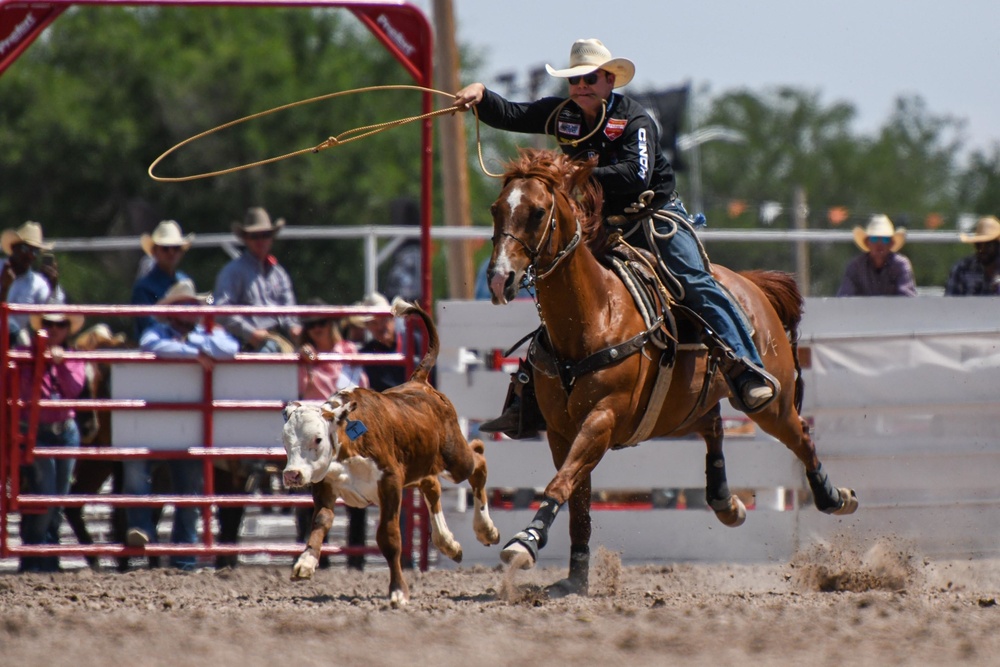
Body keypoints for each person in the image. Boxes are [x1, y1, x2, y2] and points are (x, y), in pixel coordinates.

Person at [453, 38, 777, 434]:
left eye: (590, 78)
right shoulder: (563, 114)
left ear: (609, 80)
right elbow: (513, 113)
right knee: (563, 290)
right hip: (601, 224)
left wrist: (578, 174)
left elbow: (635, 175)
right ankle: (527, 398)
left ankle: (746, 367)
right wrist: (482, 96)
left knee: (694, 282)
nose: (581, 87)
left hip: (652, 216)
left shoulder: (634, 119)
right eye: (575, 80)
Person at [124, 279, 239, 570]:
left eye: (193, 305)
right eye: (184, 305)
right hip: (156, 417)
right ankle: (142, 530)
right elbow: (150, 345)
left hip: (187, 423)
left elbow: (230, 348)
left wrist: (195, 346)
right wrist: (195, 354)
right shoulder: (158, 331)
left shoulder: (206, 332)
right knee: (135, 471)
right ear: (172, 310)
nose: (191, 310)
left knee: (189, 491)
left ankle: (184, 558)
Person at [296, 298, 370, 569]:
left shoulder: (348, 351)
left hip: (346, 427)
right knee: (314, 496)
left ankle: (356, 558)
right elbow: (303, 391)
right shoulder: (306, 356)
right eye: (311, 324)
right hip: (318, 433)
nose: (317, 328)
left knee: (356, 493)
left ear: (332, 324)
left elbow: (361, 390)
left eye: (322, 322)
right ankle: (316, 556)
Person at [16, 311, 87, 572]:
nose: (55, 328)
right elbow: (24, 390)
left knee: (57, 498)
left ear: (68, 329)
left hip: (64, 431)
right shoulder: (25, 355)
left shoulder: (73, 358)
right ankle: (36, 554)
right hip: (36, 431)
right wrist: (42, 362)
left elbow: (74, 389)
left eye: (60, 324)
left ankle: (46, 558)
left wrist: (58, 363)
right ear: (40, 327)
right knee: (45, 495)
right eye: (49, 323)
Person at [213, 207, 301, 352]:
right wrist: (251, 333)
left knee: (311, 356)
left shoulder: (279, 273)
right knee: (270, 353)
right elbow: (221, 312)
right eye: (254, 236)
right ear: (246, 238)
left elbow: (289, 312)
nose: (260, 240)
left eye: (265, 235)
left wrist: (296, 330)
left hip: (281, 340)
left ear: (271, 237)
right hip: (247, 345)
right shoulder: (233, 271)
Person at [1, 221, 66, 346]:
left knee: (21, 336)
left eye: (35, 251)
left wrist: (53, 287)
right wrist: (4, 288)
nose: (30, 255)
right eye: (25, 249)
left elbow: (54, 314)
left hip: (15, 341)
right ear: (14, 248)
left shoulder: (38, 284)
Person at [131, 219, 195, 338]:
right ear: (154, 252)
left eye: (176, 248)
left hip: (185, 342)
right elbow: (148, 325)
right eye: (165, 248)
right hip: (157, 346)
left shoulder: (185, 280)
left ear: (181, 252)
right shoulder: (143, 287)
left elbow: (197, 313)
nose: (171, 253)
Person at [836, 214, 917, 296]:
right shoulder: (855, 266)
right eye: (874, 239)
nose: (879, 244)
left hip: (894, 309)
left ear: (891, 243)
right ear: (867, 242)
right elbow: (844, 298)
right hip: (862, 309)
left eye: (885, 239)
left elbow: (907, 298)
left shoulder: (900, 265)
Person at [945, 215, 1000, 296]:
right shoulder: (962, 268)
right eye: (978, 245)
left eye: (988, 245)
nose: (982, 249)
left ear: (997, 245)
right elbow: (949, 303)